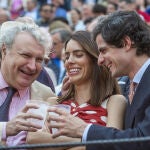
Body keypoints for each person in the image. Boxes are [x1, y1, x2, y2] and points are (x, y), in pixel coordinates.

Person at [47, 11, 150, 150]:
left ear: (126, 43)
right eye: (67, 56)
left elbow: (144, 140)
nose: (100, 60)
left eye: (104, 51)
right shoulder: (137, 84)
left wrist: (83, 130)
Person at [27, 30, 126, 150]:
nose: (69, 61)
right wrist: (90, 141)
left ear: (96, 60)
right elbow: (33, 139)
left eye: (78, 55)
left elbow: (111, 145)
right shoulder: (54, 102)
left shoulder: (115, 101)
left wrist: (54, 143)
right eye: (67, 56)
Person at [0, 21, 55, 146]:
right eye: (26, 55)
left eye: (39, 60)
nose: (32, 66)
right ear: (4, 51)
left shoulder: (47, 95)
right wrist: (5, 129)